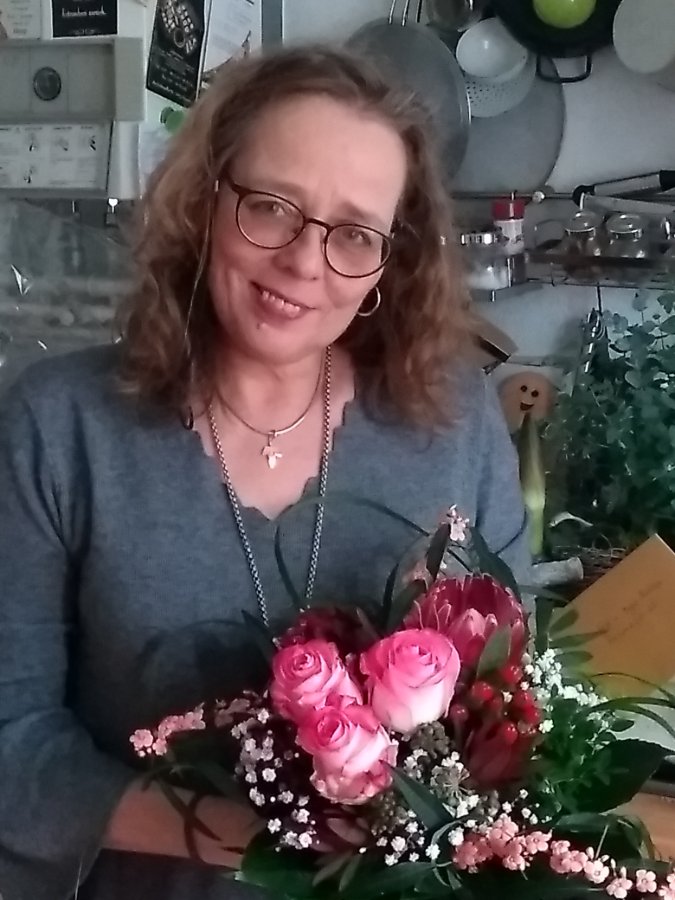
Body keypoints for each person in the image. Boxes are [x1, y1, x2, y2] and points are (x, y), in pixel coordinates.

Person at [0, 45, 529, 900]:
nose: (304, 262)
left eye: (353, 233)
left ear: (388, 264)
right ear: (205, 202)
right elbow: (11, 744)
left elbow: (513, 710)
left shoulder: (455, 422)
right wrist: (269, 841)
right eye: (272, 208)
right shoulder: (59, 425)